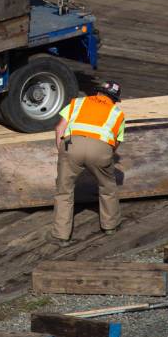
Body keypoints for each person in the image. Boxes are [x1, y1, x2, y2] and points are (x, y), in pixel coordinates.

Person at [50, 81, 125, 246]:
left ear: (97, 92)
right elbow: (115, 144)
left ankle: (61, 236)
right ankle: (110, 226)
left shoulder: (77, 102)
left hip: (71, 145)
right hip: (100, 149)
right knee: (108, 187)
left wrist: (62, 150)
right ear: (114, 99)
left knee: (64, 191)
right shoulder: (117, 113)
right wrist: (103, 157)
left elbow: (59, 129)